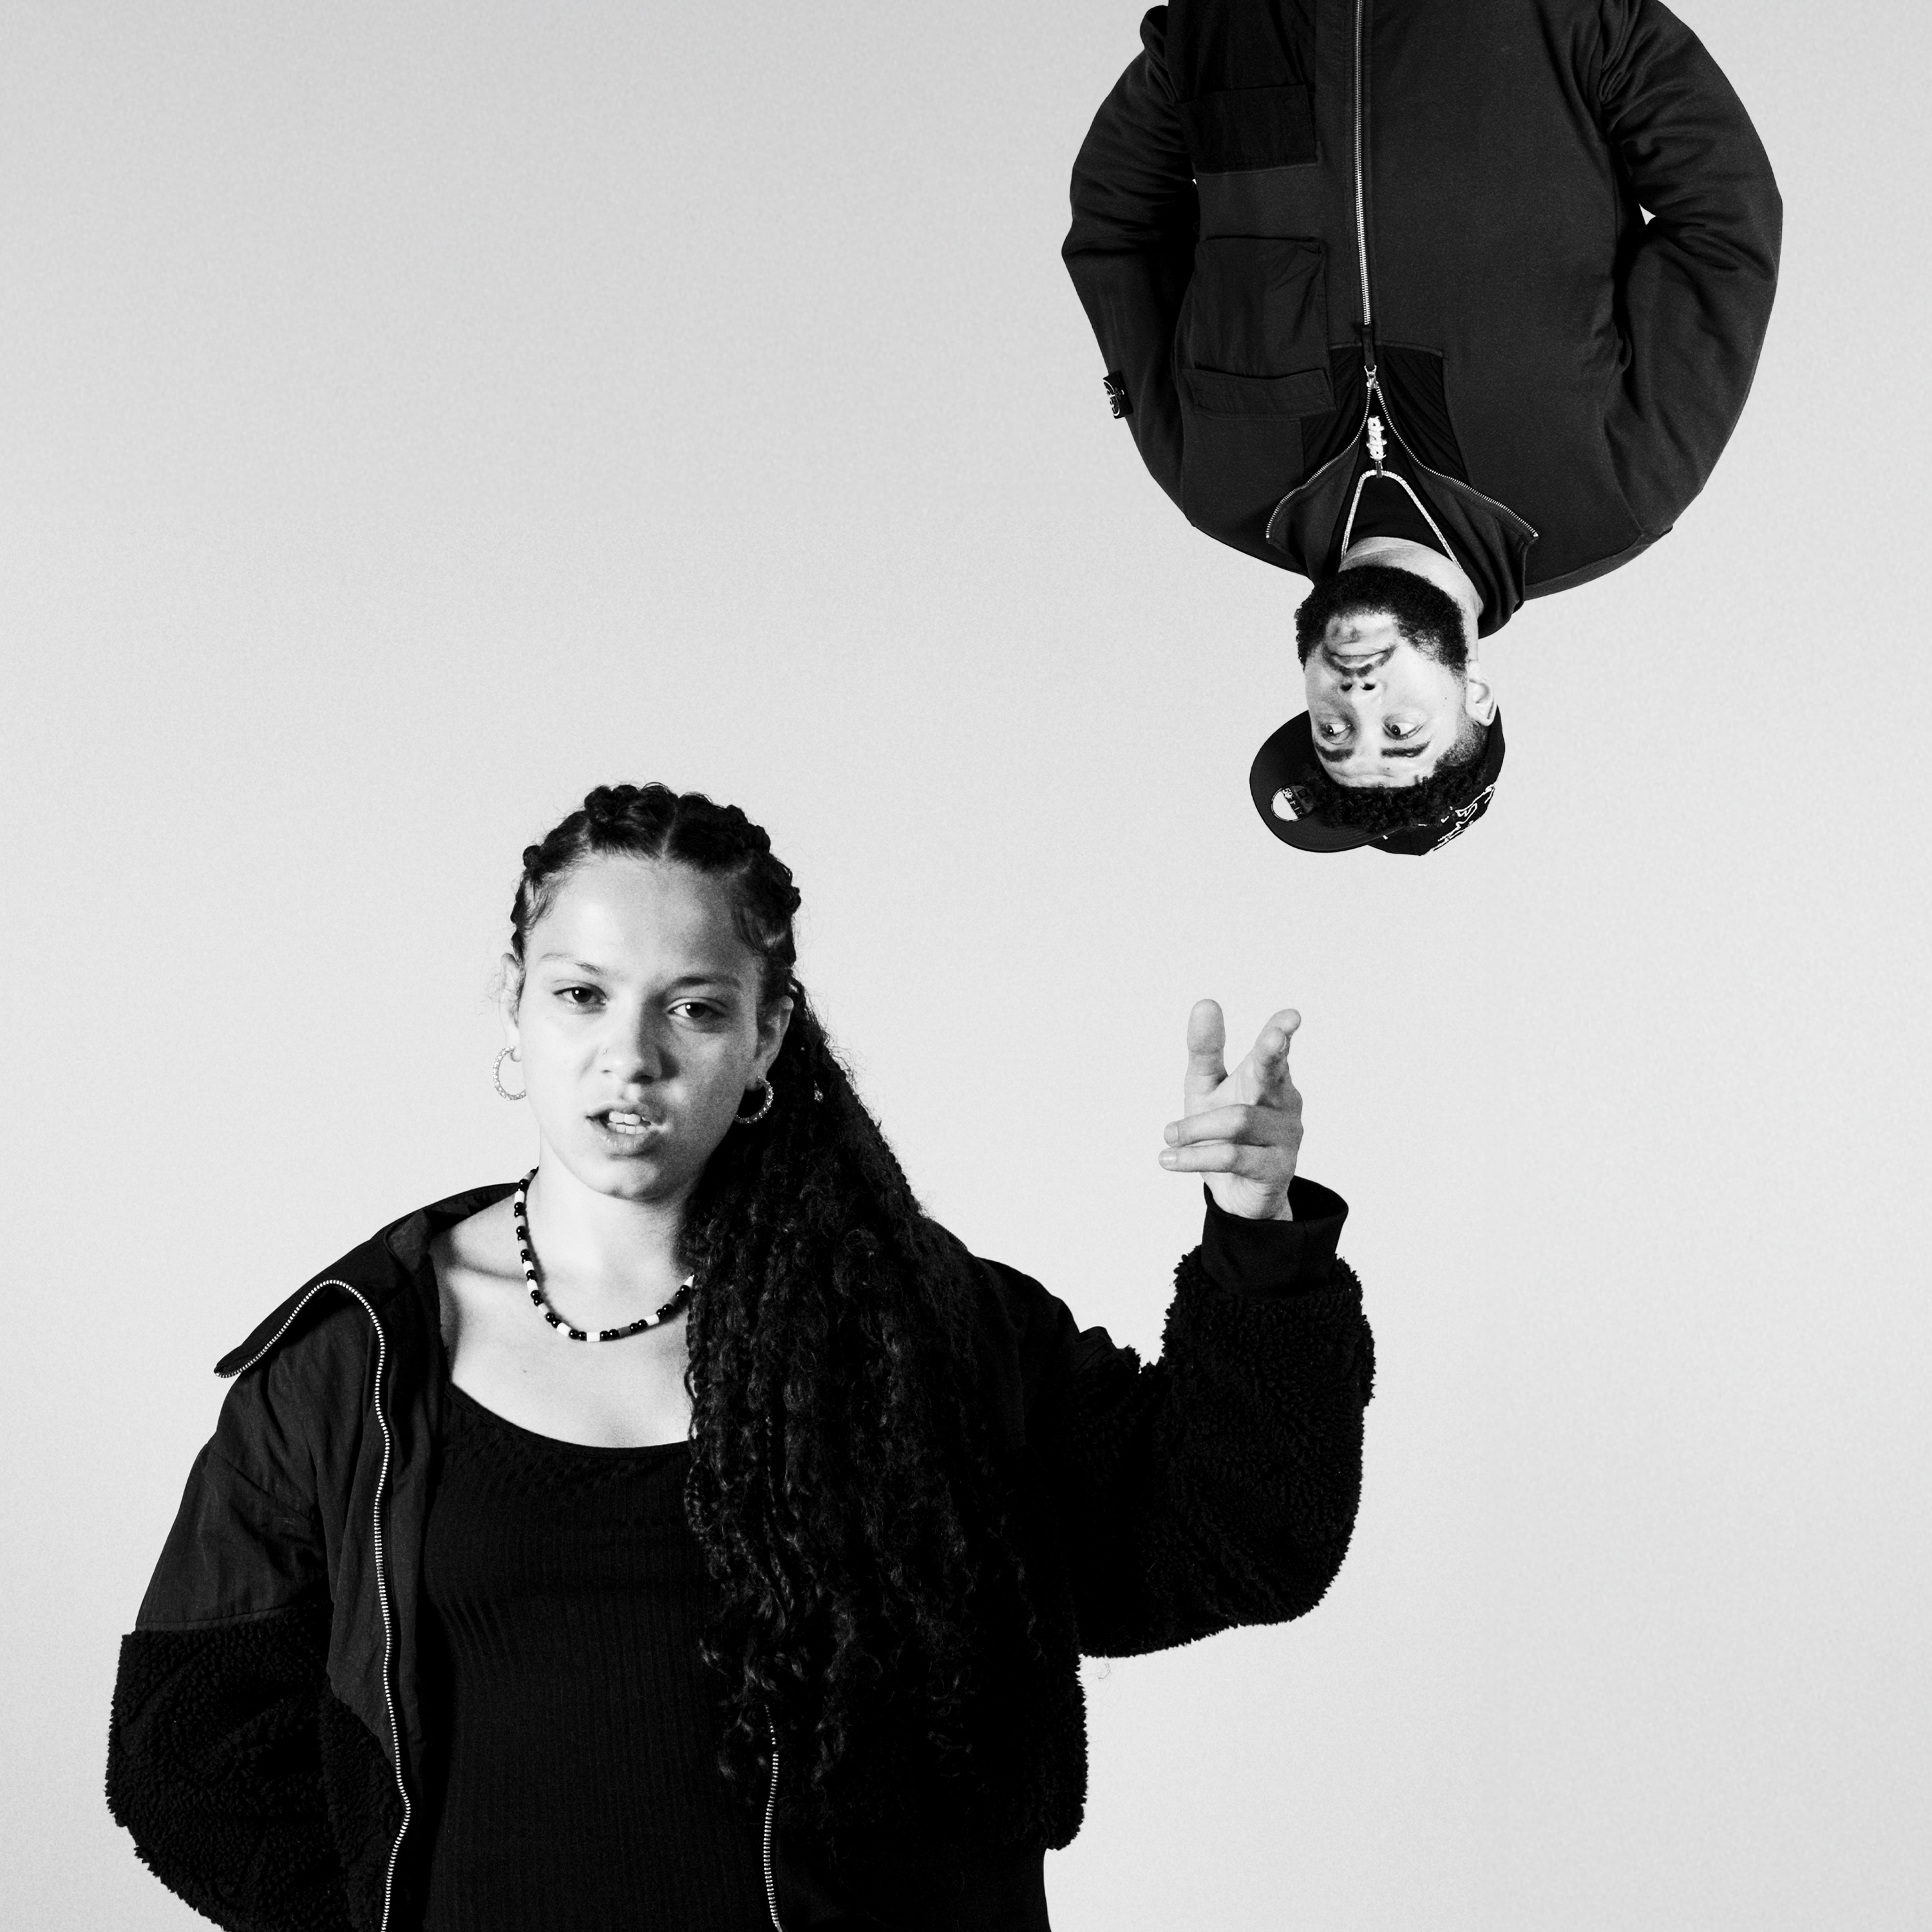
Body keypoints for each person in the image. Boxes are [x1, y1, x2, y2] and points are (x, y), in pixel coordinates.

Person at [106, 783, 1376, 1932]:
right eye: (582, 993)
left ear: (766, 1039)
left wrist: (1258, 1237)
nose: (632, 1055)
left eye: (696, 1008)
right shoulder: (358, 1362)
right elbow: (185, 1747)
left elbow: (1230, 1540)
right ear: (514, 1005)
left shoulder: (921, 1329)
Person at [1063, 0, 1781, 853]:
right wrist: (1593, 25)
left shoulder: (1216, 480)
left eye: (1333, 733)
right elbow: (1722, 228)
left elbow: (1119, 231)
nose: (1359, 699)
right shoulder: (1615, 491)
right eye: (1403, 731)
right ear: (1475, 697)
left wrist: (1198, 52)